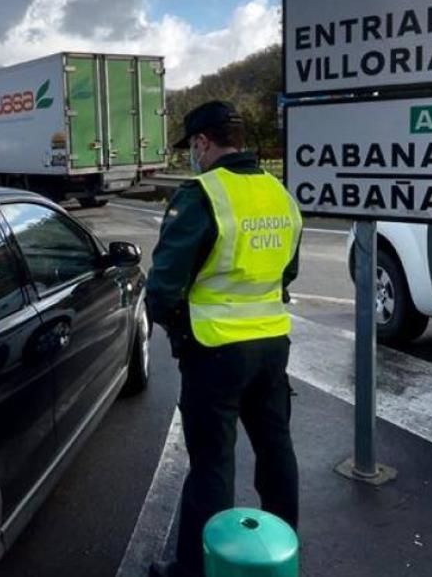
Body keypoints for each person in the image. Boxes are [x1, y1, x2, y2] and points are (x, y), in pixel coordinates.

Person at [147, 101, 303, 577]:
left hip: (215, 352)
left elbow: (162, 289)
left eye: (191, 148)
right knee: (276, 451)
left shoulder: (202, 194)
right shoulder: (279, 193)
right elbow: (288, 272)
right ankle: (280, 554)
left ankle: (196, 569)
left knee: (213, 465)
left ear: (202, 143)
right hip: (273, 346)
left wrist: (180, 330)